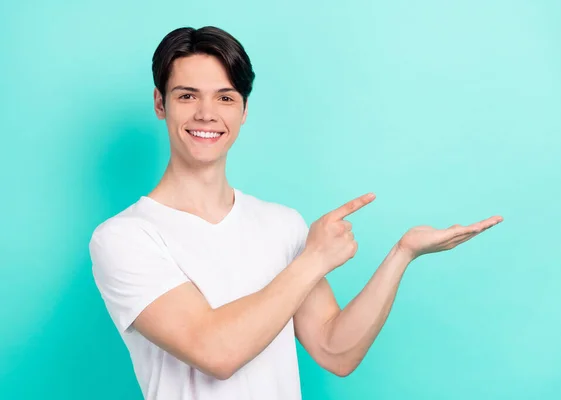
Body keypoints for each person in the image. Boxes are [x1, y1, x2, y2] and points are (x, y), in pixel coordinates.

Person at [89, 25, 503, 400]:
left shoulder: (281, 224)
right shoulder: (125, 237)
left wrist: (402, 254)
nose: (206, 113)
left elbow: (334, 350)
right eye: (187, 96)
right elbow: (215, 351)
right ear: (161, 103)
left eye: (225, 97)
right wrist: (315, 258)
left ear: (244, 111)